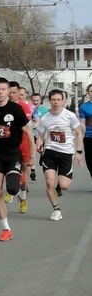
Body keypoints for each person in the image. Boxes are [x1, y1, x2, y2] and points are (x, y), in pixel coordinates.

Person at [0, 77, 36, 242]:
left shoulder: (16, 109)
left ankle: (18, 185)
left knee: (11, 189)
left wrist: (32, 156)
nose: (0, 93)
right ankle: (6, 229)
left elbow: (29, 133)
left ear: (8, 91)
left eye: (3, 90)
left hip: (13, 154)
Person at [36, 89, 84, 221]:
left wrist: (79, 152)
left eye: (58, 100)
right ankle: (56, 210)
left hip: (66, 153)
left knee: (64, 186)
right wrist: (39, 145)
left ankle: (59, 186)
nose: (56, 102)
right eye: (53, 100)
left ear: (63, 101)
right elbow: (40, 136)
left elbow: (79, 133)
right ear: (50, 101)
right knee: (49, 182)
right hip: (50, 152)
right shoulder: (45, 118)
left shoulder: (70, 116)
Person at [3, 81, 33, 213]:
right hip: (6, 147)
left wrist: (33, 154)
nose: (11, 95)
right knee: (6, 170)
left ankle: (23, 196)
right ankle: (10, 188)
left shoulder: (23, 107)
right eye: (9, 92)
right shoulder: (1, 106)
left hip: (23, 145)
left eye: (14, 92)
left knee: (23, 174)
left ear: (19, 93)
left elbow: (28, 130)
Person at [30, 92, 49, 180]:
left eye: (37, 100)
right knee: (32, 151)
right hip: (32, 132)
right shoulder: (29, 108)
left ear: (40, 100)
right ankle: (33, 170)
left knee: (39, 149)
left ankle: (42, 154)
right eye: (33, 100)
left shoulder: (44, 110)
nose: (35, 102)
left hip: (42, 133)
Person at [79, 84, 92, 179]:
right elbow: (83, 122)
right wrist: (82, 129)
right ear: (88, 92)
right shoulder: (84, 107)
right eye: (91, 91)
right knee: (90, 161)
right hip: (89, 137)